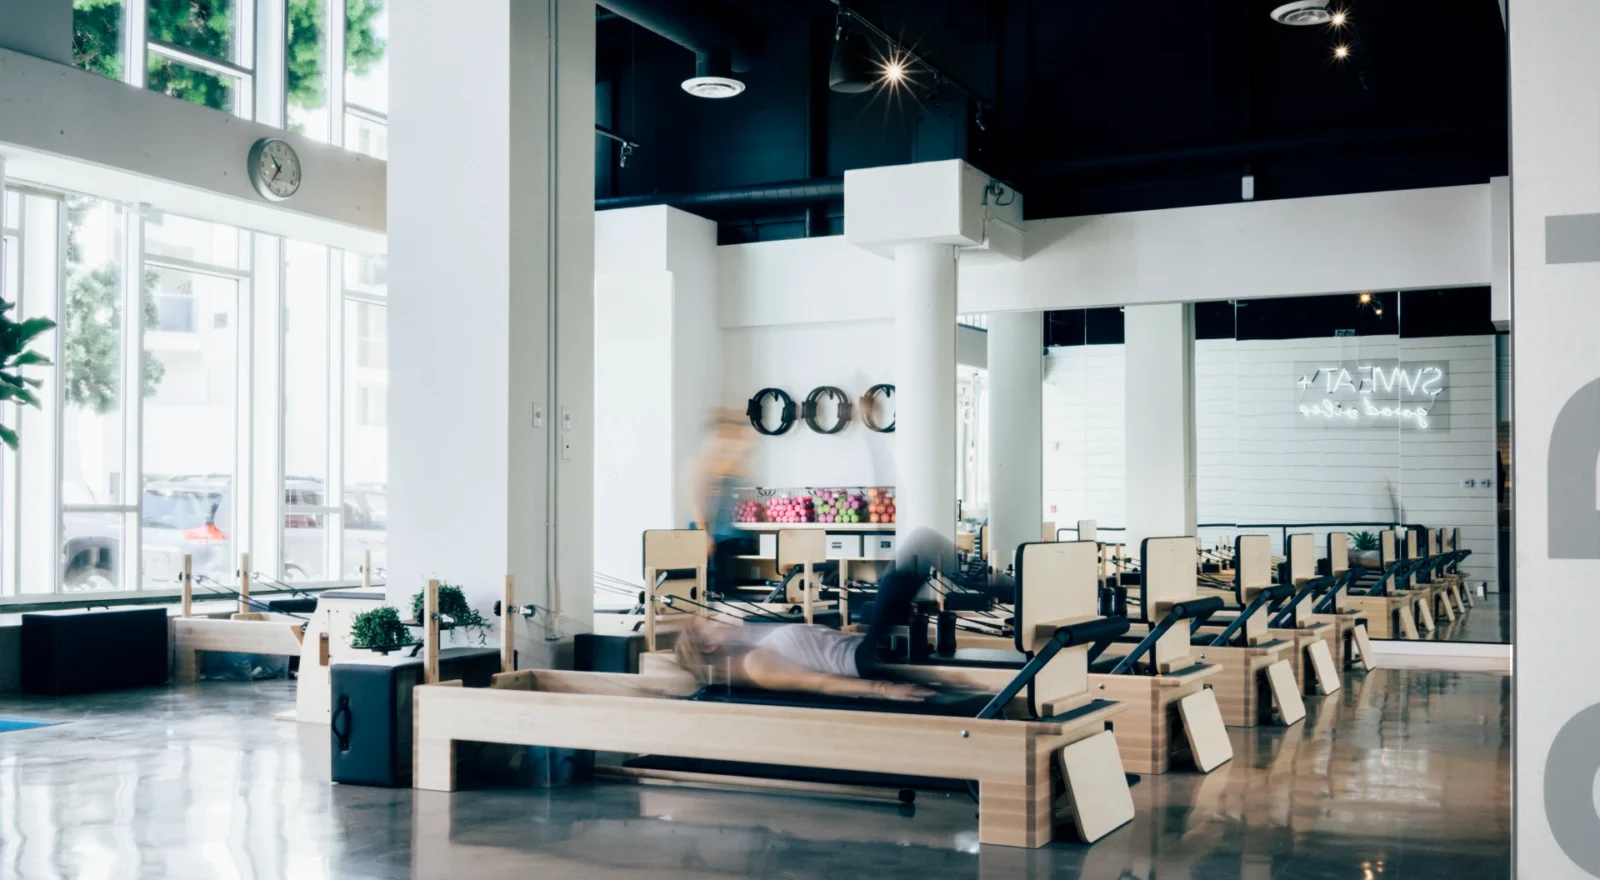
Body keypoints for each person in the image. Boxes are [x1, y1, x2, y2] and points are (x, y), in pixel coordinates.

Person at [673, 528, 957, 702]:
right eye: (710, 621)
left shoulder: (752, 640)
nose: (718, 615)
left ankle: (986, 583)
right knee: (915, 554)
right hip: (865, 661)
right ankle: (993, 587)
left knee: (914, 560)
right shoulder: (755, 663)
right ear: (709, 646)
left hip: (864, 649)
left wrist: (850, 634)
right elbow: (817, 681)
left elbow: (815, 648)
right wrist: (885, 690)